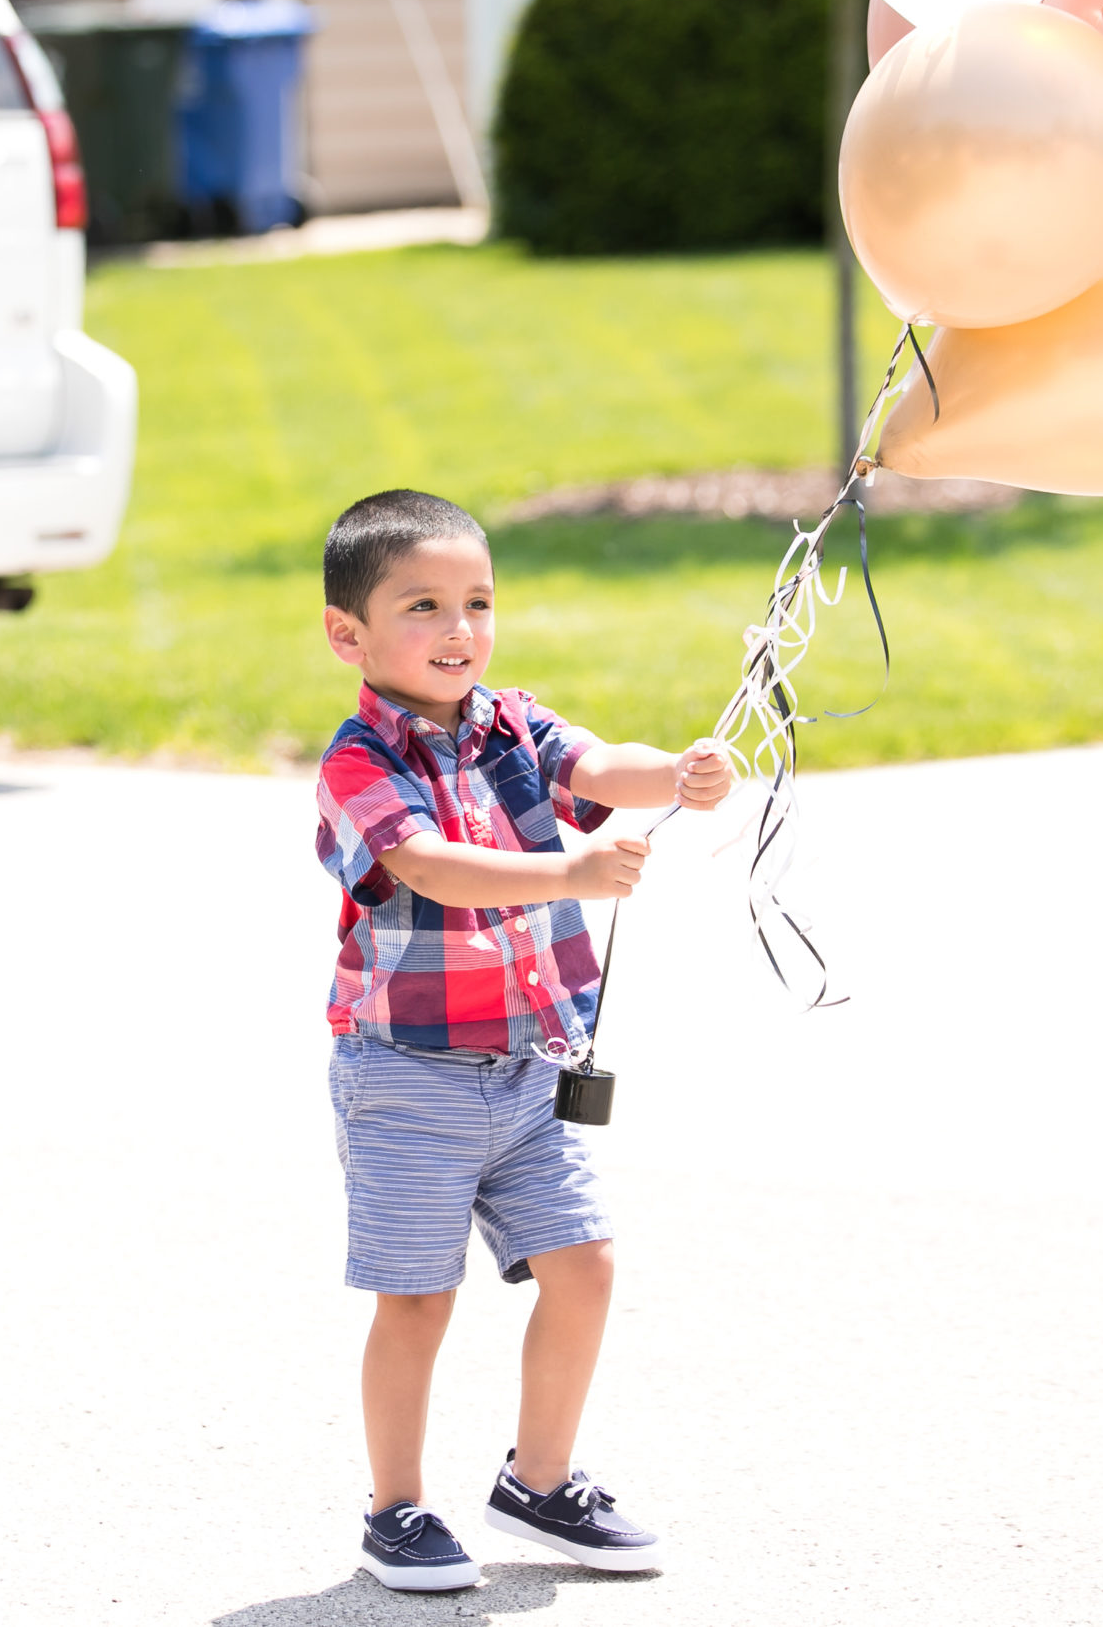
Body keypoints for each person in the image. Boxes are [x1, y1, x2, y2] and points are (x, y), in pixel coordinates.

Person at [313, 489, 733, 1592]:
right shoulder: (358, 761)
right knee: (416, 1295)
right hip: (406, 1075)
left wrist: (678, 772)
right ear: (347, 632)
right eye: (423, 606)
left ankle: (537, 1480)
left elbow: (601, 767)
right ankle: (394, 1507)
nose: (459, 630)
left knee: (584, 1263)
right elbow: (432, 867)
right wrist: (572, 874)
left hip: (530, 1069)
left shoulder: (514, 727)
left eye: (477, 601)